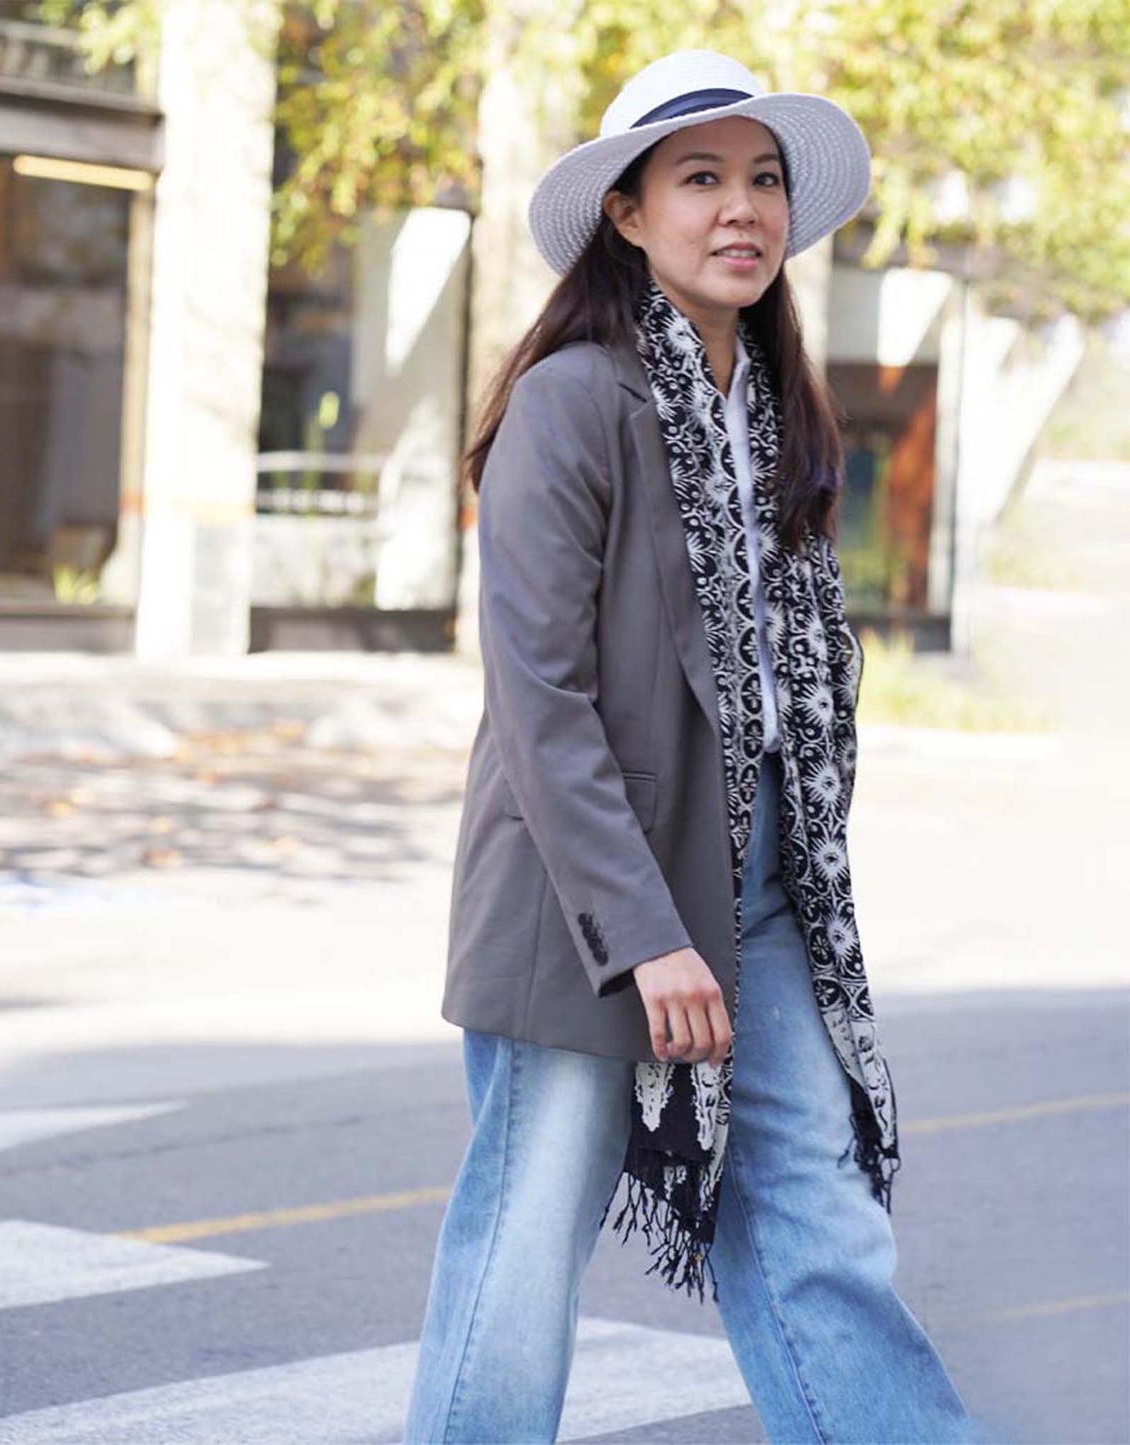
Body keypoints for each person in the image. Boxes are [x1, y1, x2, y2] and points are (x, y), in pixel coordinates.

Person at [403, 49, 989, 1445]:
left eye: (763, 179)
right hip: (585, 896)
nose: (741, 209)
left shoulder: (774, 406)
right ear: (625, 211)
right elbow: (538, 691)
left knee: (819, 1222)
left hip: (766, 890)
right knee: (523, 1250)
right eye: (701, 179)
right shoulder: (572, 398)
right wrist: (644, 930)